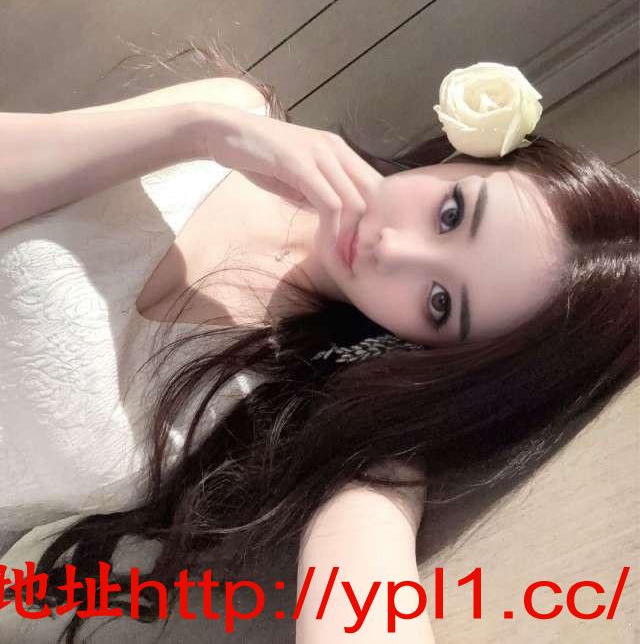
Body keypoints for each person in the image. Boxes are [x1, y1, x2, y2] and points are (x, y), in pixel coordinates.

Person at [0, 44, 637, 643]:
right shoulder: (228, 116)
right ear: (458, 159)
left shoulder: (327, 414)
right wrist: (196, 130)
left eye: (440, 302)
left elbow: (364, 584)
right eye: (450, 214)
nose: (393, 249)